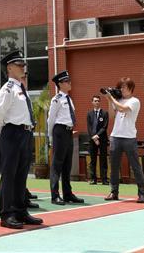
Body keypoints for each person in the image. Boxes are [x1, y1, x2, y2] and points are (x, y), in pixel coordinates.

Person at [0, 50, 43, 230]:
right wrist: (2, 131)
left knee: (21, 174)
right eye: (19, 64)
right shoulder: (8, 89)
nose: (23, 67)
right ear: (9, 68)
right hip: (12, 133)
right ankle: (6, 214)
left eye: (23, 64)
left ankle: (20, 210)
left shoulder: (21, 89)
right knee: (9, 174)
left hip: (24, 133)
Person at [104, 77, 144, 203]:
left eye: (123, 87)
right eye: (120, 87)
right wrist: (109, 101)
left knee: (135, 166)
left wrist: (111, 99)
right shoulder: (118, 100)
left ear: (130, 88)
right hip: (115, 136)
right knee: (114, 166)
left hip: (129, 137)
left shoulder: (135, 101)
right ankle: (114, 192)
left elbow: (123, 109)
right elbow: (111, 116)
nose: (121, 89)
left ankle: (142, 193)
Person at [48, 70, 84, 205]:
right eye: (67, 81)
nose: (70, 83)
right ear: (60, 84)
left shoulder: (69, 99)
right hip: (59, 131)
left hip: (68, 132)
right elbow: (51, 120)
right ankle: (55, 195)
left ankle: (68, 194)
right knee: (57, 164)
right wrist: (50, 137)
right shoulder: (56, 99)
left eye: (69, 80)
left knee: (67, 164)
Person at [87, 95, 109, 185]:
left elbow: (105, 126)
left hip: (102, 139)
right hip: (92, 140)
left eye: (98, 101)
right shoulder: (89, 114)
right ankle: (93, 179)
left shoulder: (104, 113)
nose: (97, 102)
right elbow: (89, 127)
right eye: (95, 101)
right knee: (93, 159)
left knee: (103, 159)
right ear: (92, 102)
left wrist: (97, 136)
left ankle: (104, 179)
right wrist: (93, 137)